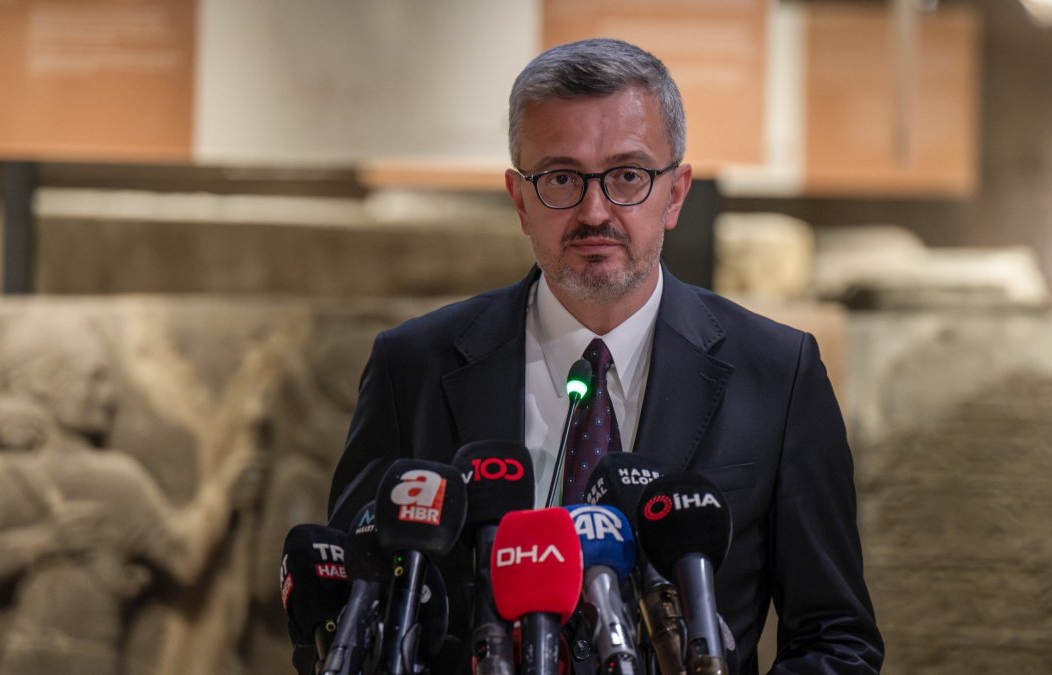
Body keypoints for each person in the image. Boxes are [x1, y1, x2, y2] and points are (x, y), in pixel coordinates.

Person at [329, 38, 883, 673]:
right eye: (561, 178)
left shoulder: (779, 375)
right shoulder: (413, 367)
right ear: (519, 199)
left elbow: (836, 640)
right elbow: (346, 611)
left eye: (627, 176)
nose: (595, 212)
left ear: (675, 194)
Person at [0, 316, 259, 675]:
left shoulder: (110, 477)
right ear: (44, 382)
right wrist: (42, 542)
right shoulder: (13, 470)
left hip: (85, 656)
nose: (110, 397)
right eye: (94, 378)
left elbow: (182, 560)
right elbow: (184, 557)